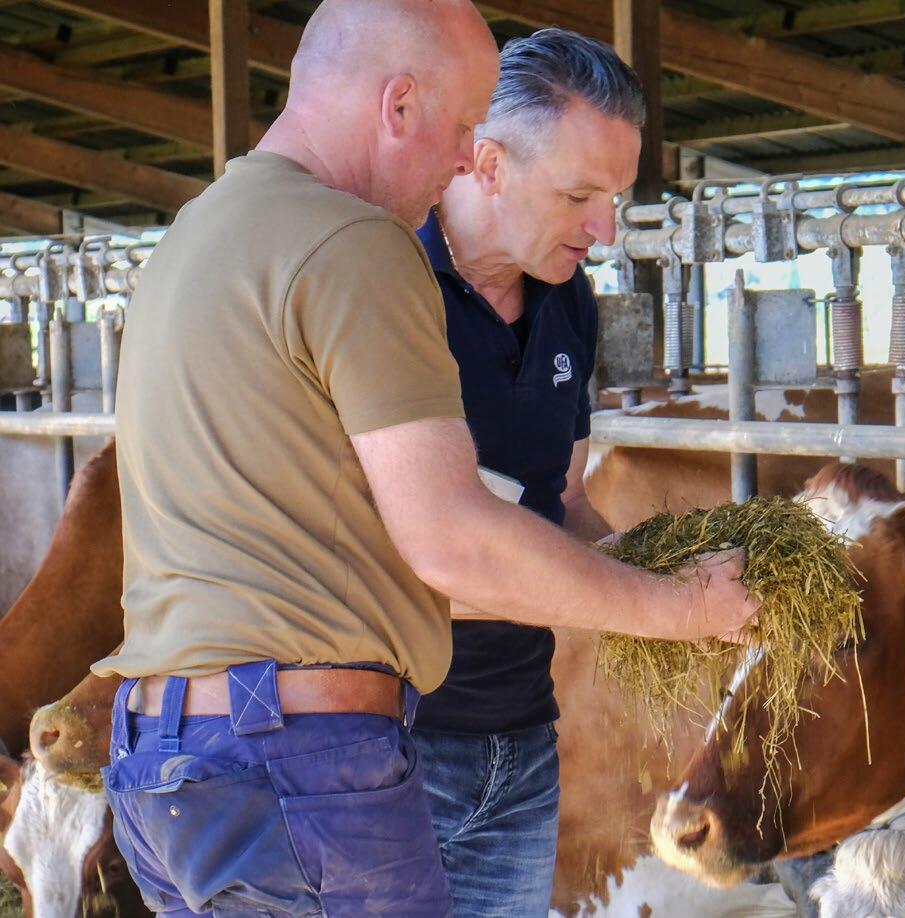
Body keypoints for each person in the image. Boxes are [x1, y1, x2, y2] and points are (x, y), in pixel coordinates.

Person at [94, 1, 758, 914]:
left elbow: (545, 501)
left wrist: (643, 570)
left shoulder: (203, 231)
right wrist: (681, 610)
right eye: (458, 130)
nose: (461, 157)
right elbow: (446, 543)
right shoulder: (358, 248)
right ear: (399, 104)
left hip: (187, 764)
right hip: (306, 763)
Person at [410, 29, 654, 916]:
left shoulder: (571, 304)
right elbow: (409, 552)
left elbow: (565, 500)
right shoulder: (389, 285)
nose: (605, 231)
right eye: (580, 194)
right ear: (487, 162)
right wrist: (656, 607)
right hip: (387, 746)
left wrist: (649, 563)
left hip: (522, 739)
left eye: (617, 199)